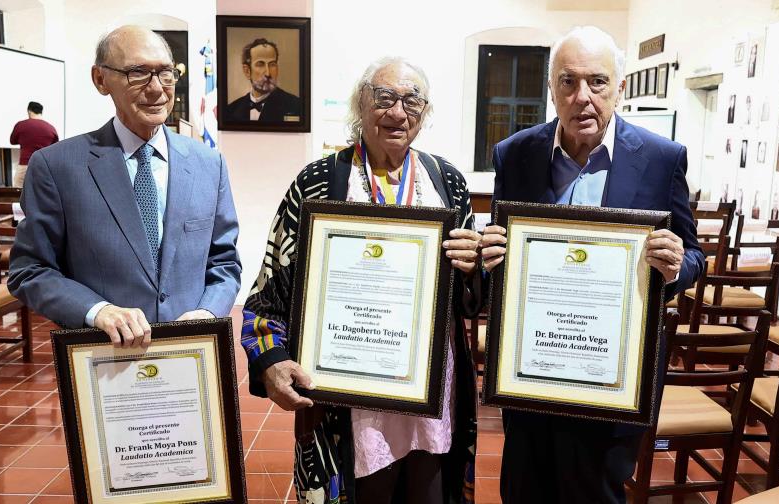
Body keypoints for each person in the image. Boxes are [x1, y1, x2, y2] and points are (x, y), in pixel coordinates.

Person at [241, 57, 481, 504]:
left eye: (411, 101)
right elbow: (270, 286)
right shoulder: (318, 183)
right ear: (361, 105)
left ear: (424, 113)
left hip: (428, 394)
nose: (397, 112)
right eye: (384, 98)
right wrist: (270, 358)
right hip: (346, 398)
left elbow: (468, 297)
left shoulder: (448, 182)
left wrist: (472, 269)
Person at [480, 26, 703, 503]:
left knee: (599, 493)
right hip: (531, 368)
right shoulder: (516, 154)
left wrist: (674, 267)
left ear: (619, 87)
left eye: (597, 82)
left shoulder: (663, 159)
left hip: (613, 377)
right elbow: (500, 258)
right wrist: (490, 256)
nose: (582, 97)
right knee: (523, 491)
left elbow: (694, 255)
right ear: (551, 89)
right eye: (567, 81)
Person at [8, 25, 241, 347]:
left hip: (191, 354)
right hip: (104, 359)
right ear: (100, 79)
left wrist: (207, 311)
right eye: (138, 73)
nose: (157, 88)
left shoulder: (208, 164)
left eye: (166, 73)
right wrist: (97, 310)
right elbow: (30, 270)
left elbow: (224, 262)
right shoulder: (57, 166)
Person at [224, 38, 301, 122]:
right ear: (247, 71)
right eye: (260, 64)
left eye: (272, 64)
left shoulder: (295, 105)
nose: (268, 73)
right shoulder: (231, 110)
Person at [9, 101, 59, 187]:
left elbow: (12, 141)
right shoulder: (51, 128)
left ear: (29, 111)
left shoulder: (20, 125)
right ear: (41, 112)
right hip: (43, 167)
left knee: (18, 192)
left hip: (25, 165)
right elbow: (55, 148)